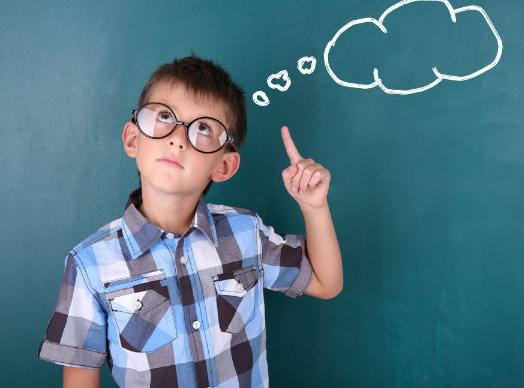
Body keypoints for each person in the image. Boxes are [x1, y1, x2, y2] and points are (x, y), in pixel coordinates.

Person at [37, 54, 343, 387]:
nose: (178, 138)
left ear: (223, 166)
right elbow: (80, 377)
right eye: (164, 116)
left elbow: (326, 283)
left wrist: (314, 207)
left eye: (203, 128)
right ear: (133, 138)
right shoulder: (90, 264)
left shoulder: (247, 234)